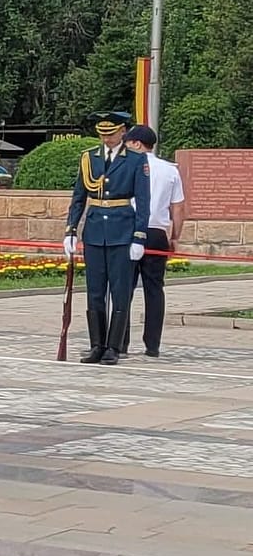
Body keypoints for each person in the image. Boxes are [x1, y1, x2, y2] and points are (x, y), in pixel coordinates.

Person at [64, 110, 150, 366]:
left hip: (122, 229)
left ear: (123, 132)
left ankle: (114, 346)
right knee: (95, 291)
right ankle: (96, 345)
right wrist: (70, 229)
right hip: (94, 231)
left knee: (120, 291)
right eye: (103, 134)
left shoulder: (136, 160)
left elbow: (143, 202)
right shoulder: (89, 158)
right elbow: (79, 197)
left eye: (111, 134)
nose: (107, 138)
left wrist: (139, 236)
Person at [123, 124, 184, 359]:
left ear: (137, 144)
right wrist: (175, 236)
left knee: (123, 288)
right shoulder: (170, 170)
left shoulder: (127, 166)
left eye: (128, 142)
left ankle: (120, 341)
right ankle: (152, 344)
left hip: (130, 229)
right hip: (158, 231)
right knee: (154, 289)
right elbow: (178, 207)